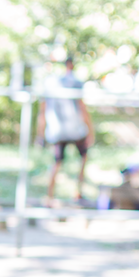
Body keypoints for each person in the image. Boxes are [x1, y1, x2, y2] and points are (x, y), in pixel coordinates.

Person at [37, 56, 95, 204]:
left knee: (60, 162)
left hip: (59, 130)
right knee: (72, 160)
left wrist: (40, 133)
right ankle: (71, 193)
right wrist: (90, 129)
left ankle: (56, 195)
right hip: (71, 129)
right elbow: (82, 107)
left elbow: (42, 110)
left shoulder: (50, 83)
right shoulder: (70, 82)